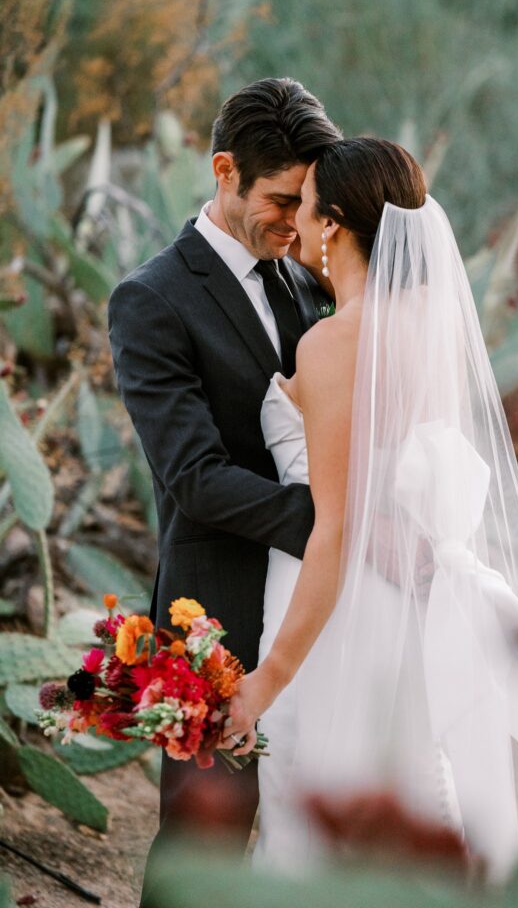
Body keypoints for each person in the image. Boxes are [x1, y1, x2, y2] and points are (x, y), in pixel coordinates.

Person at [225, 138, 518, 908]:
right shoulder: (430, 325)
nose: (297, 219)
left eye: (307, 204)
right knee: (406, 802)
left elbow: (337, 527)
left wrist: (268, 679)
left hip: (329, 609)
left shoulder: (332, 344)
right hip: (409, 606)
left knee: (318, 814)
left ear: (335, 224)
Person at [107, 78, 341, 905]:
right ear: (222, 170)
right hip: (214, 617)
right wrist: (335, 531)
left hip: (310, 609)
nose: (297, 222)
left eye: (306, 204)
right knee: (203, 848)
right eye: (281, 200)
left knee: (303, 833)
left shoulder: (303, 280)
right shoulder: (151, 299)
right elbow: (194, 479)